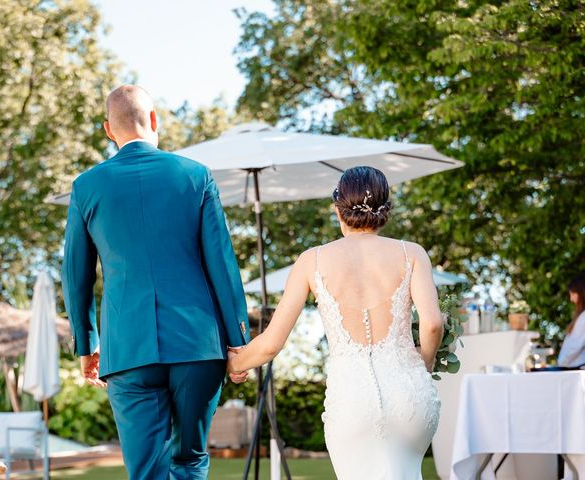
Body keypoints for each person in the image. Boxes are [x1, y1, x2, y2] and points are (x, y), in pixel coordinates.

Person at [61, 85, 249, 480]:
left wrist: (86, 343)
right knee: (190, 461)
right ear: (154, 120)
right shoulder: (196, 176)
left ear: (108, 130)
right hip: (198, 346)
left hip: (127, 348)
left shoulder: (86, 187)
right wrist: (239, 341)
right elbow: (223, 268)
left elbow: (76, 276)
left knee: (146, 471)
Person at [229, 166, 443, 479]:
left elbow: (272, 343)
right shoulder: (411, 253)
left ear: (337, 208)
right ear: (387, 210)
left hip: (352, 400)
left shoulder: (311, 260)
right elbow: (433, 324)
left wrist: (235, 363)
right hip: (409, 398)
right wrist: (423, 364)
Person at [557, 274, 585, 367]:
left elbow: (576, 346)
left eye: (572, 294)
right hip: (573, 366)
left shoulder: (584, 317)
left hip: (577, 367)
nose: (571, 298)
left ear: (581, 293)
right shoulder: (581, 315)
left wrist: (562, 362)